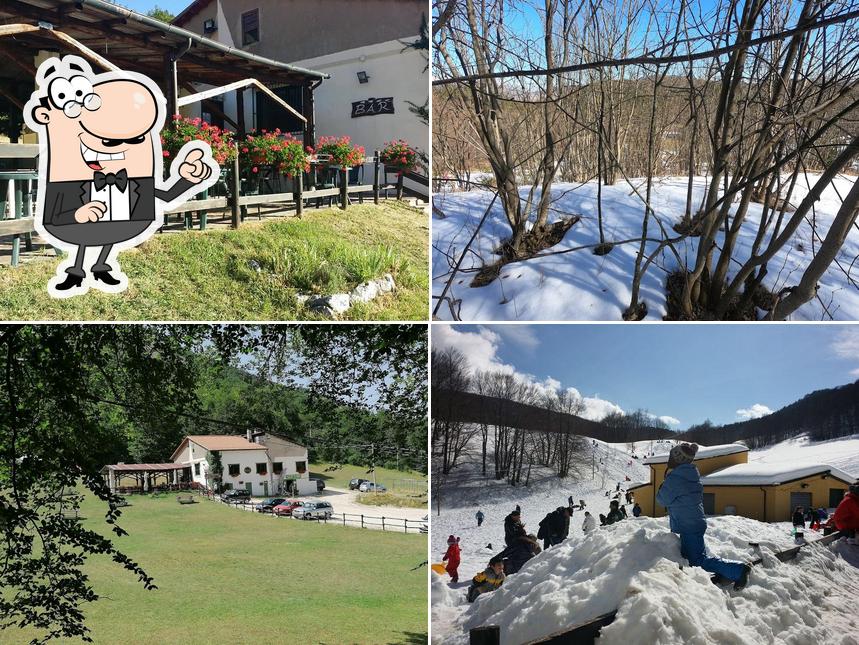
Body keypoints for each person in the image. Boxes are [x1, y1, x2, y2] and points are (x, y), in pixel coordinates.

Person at [656, 442, 751, 590]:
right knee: (694, 557)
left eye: (671, 458)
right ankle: (719, 572)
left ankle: (738, 570)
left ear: (676, 460)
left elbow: (662, 500)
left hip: (688, 525)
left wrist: (664, 485)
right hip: (694, 522)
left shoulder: (675, 478)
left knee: (697, 561)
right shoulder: (690, 474)